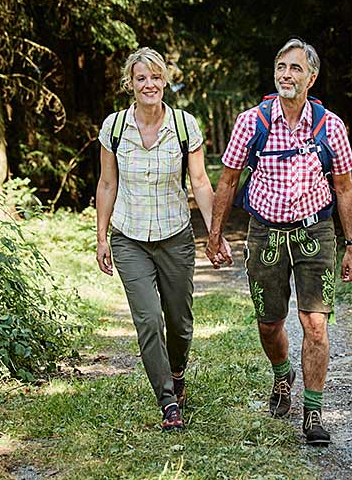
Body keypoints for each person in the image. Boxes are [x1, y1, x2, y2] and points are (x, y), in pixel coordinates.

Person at [205, 38, 352, 446]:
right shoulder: (251, 122)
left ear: (312, 76)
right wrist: (216, 233)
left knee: (315, 323)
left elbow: (344, 188)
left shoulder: (331, 126)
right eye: (280, 66)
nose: (285, 74)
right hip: (265, 232)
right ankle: (281, 376)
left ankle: (313, 413)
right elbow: (228, 179)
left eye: (294, 68)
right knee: (269, 323)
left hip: (315, 233)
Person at [96, 47, 232, 432]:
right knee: (149, 320)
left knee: (179, 321)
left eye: (155, 76)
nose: (149, 84)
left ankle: (177, 370)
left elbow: (200, 182)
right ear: (130, 84)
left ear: (165, 81)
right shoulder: (115, 127)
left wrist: (214, 231)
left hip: (175, 236)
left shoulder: (185, 126)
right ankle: (168, 400)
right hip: (129, 237)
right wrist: (102, 235)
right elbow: (107, 183)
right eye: (141, 78)